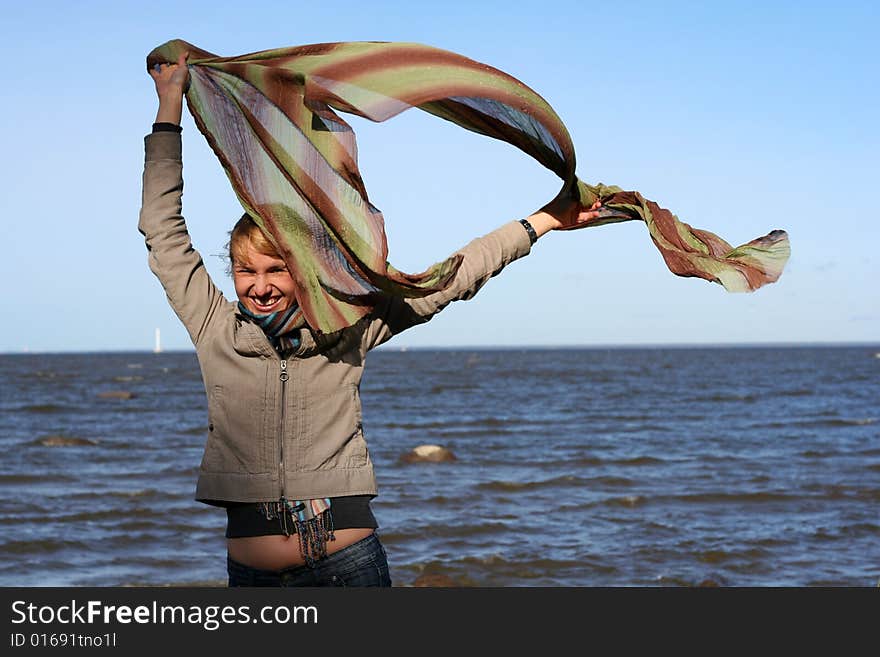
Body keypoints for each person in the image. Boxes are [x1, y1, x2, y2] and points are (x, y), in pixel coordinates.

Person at [142, 52, 603, 587]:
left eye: (277, 268)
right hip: (255, 575)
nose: (261, 285)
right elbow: (162, 227)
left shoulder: (350, 327)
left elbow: (452, 278)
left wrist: (543, 221)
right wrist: (168, 106)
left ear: (305, 270)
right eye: (247, 271)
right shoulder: (215, 328)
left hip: (349, 566)